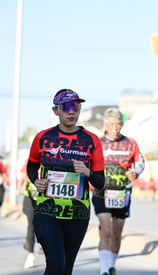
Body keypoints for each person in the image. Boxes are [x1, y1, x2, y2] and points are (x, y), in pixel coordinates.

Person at [27, 89, 105, 275]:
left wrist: (88, 172)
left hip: (77, 214)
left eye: (76, 107)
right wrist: (36, 181)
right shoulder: (43, 138)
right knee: (56, 265)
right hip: (47, 211)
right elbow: (31, 166)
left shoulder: (91, 140)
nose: (72, 112)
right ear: (56, 110)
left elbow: (101, 181)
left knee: (66, 269)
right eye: (67, 107)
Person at [92, 107, 145, 275]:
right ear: (105, 125)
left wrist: (135, 172)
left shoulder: (131, 143)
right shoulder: (97, 143)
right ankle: (104, 270)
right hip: (101, 192)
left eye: (119, 124)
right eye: (112, 124)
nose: (116, 128)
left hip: (122, 193)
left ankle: (111, 265)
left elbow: (141, 162)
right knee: (106, 229)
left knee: (116, 233)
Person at [17, 159, 40, 269]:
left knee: (44, 226)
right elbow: (22, 175)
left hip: (44, 199)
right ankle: (30, 254)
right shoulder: (31, 160)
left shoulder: (53, 160)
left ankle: (43, 246)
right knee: (32, 225)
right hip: (30, 197)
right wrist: (18, 188)